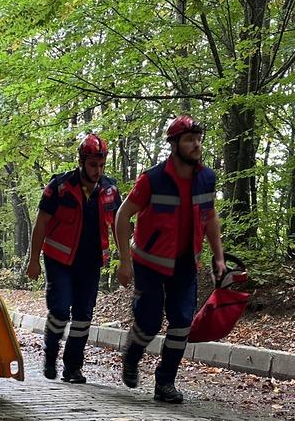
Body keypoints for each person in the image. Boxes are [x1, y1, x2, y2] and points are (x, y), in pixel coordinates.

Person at [114, 115, 226, 404]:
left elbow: (210, 216)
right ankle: (132, 354)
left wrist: (219, 257)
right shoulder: (153, 179)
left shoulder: (207, 178)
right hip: (150, 263)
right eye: (189, 139)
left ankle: (165, 382)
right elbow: (123, 215)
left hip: (186, 263)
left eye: (198, 139)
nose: (196, 144)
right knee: (149, 323)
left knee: (182, 322)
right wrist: (125, 261)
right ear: (174, 144)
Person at [26, 134, 119, 383]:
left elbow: (120, 226)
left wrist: (126, 262)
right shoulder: (60, 187)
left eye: (101, 165)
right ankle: (51, 352)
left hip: (90, 263)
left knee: (83, 316)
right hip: (59, 260)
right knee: (59, 310)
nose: (97, 170)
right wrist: (33, 260)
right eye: (92, 165)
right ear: (81, 161)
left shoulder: (110, 191)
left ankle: (73, 367)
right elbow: (41, 223)